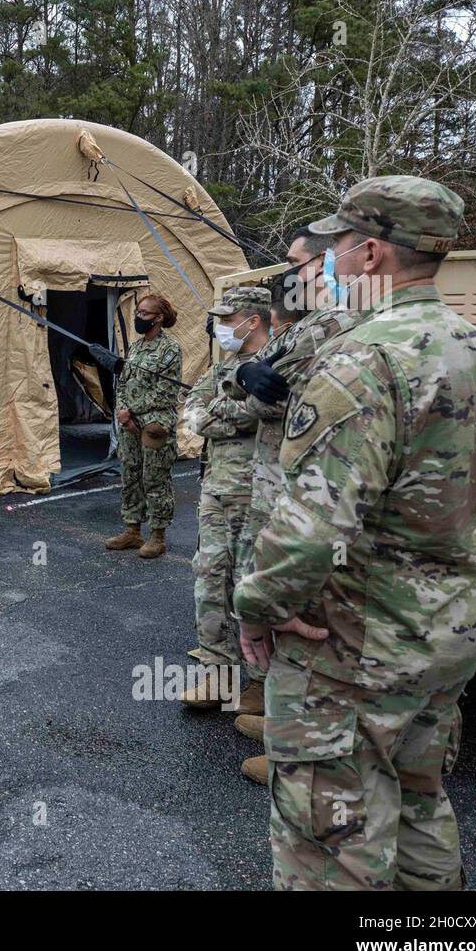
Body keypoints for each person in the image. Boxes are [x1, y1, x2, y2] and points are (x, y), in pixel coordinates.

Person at [233, 176, 476, 890]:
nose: (330, 262)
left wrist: (259, 607)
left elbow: (310, 526)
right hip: (449, 630)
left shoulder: (363, 359)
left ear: (370, 254)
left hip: (355, 644)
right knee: (420, 801)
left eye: (337, 247)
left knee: (330, 833)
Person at [221, 229, 358, 784]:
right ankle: (284, 724)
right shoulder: (305, 326)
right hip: (275, 477)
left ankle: (301, 753)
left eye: (299, 264)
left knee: (310, 615)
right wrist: (242, 373)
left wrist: (246, 381)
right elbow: (244, 380)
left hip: (306, 487)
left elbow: (257, 396)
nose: (292, 273)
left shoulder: (338, 327)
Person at [180, 286, 270, 713]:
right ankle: (218, 671)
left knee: (250, 586)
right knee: (210, 577)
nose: (220, 327)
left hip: (256, 493)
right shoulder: (226, 366)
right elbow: (193, 411)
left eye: (227, 318)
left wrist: (218, 415)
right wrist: (220, 414)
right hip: (216, 488)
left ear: (252, 320)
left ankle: (262, 683)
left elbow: (259, 410)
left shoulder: (272, 363)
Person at [104, 293, 183, 559]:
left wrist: (131, 410)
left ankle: (158, 536)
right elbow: (124, 382)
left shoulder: (170, 349)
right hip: (130, 424)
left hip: (154, 424)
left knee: (155, 479)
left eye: (144, 314)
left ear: (158, 318)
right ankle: (132, 530)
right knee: (131, 474)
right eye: (137, 313)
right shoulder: (136, 348)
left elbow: (165, 392)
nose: (138, 317)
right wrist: (122, 412)